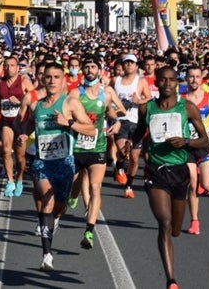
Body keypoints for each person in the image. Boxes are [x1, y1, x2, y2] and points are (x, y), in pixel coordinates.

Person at [132, 66, 209, 289]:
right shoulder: (147, 108)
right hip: (155, 170)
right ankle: (171, 280)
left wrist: (185, 142)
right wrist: (131, 143)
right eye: (162, 80)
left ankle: (175, 231)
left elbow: (204, 139)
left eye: (171, 80)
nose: (167, 84)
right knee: (164, 222)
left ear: (177, 83)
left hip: (179, 172)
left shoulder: (188, 108)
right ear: (156, 82)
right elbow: (139, 131)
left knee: (175, 228)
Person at [19, 62, 96, 271]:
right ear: (42, 79)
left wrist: (68, 123)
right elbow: (28, 122)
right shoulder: (37, 106)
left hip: (64, 163)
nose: (52, 81)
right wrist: (25, 134)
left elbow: (91, 130)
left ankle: (53, 221)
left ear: (63, 80)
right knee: (47, 201)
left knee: (60, 206)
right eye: (48, 77)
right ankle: (47, 255)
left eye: (56, 77)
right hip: (42, 162)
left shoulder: (70, 103)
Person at [67, 55, 123, 249]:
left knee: (95, 187)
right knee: (74, 184)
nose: (90, 70)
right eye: (87, 67)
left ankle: (89, 231)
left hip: (98, 146)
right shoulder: (75, 93)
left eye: (93, 67)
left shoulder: (106, 93)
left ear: (100, 71)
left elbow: (112, 111)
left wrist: (115, 122)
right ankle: (73, 196)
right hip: (77, 146)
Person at [183, 65, 209, 235]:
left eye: (197, 76)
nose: (194, 80)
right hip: (187, 148)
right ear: (186, 79)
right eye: (191, 76)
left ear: (202, 78)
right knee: (192, 185)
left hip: (205, 146)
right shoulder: (181, 99)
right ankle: (194, 220)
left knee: (207, 185)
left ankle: (201, 178)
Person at [113, 54, 151, 199]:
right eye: (126, 63)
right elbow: (108, 96)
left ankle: (129, 185)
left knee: (134, 158)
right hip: (120, 121)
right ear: (122, 66)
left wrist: (138, 100)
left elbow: (149, 98)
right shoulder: (115, 81)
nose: (129, 65)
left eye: (132, 63)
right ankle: (120, 164)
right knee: (123, 151)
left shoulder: (141, 81)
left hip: (136, 122)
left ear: (136, 66)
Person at [0, 55, 34, 197]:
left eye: (12, 65)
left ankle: (19, 178)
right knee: (6, 150)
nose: (8, 68)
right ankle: (10, 181)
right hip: (6, 120)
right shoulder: (0, 82)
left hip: (21, 121)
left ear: (17, 67)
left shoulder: (24, 81)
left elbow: (34, 99)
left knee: (20, 157)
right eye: (6, 65)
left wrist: (19, 102)